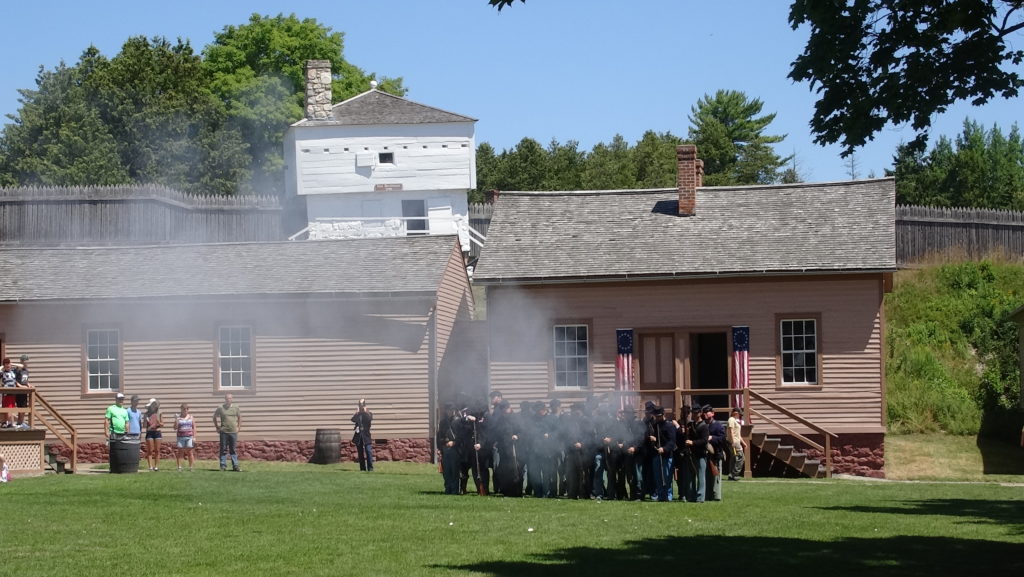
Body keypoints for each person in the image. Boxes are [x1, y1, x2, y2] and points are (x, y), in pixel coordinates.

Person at [435, 403, 461, 495]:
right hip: (445, 448)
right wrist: (439, 448)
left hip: (455, 449)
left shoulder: (458, 421)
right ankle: (447, 488)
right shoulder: (443, 422)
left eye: (452, 410)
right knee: (446, 471)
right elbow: (439, 436)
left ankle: (454, 490)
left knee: (454, 471)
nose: (451, 411)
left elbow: (462, 436)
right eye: (449, 410)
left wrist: (454, 442)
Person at [213, 393, 242, 472]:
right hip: (224, 432)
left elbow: (239, 417)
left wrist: (238, 427)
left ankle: (235, 466)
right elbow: (214, 417)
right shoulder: (220, 408)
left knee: (233, 449)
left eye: (230, 398)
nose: (228, 400)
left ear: (232, 399)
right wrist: (217, 427)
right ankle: (223, 465)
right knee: (223, 449)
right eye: (227, 398)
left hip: (233, 432)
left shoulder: (236, 407)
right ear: (225, 399)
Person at [704, 405, 727, 501]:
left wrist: (712, 438)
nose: (705, 414)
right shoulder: (704, 425)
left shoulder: (718, 425)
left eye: (708, 411)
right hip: (706, 455)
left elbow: (722, 439)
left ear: (713, 413)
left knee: (716, 476)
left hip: (716, 454)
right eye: (704, 412)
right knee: (707, 477)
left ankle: (716, 496)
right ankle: (708, 495)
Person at [351, 399, 374, 472]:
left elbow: (369, 419)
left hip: (366, 435)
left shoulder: (369, 413)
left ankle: (370, 468)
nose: (361, 407)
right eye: (360, 406)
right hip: (359, 436)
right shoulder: (358, 414)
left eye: (362, 406)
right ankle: (362, 468)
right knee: (360, 453)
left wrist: (365, 412)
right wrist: (357, 413)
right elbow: (353, 420)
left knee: (368, 451)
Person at [726, 407, 747, 481]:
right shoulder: (731, 419)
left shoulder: (734, 421)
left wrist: (743, 442)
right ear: (736, 413)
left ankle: (731, 475)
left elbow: (738, 434)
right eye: (739, 414)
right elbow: (731, 431)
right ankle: (734, 474)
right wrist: (733, 442)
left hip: (736, 441)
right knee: (741, 457)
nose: (740, 416)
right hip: (734, 442)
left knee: (734, 458)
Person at [174, 403, 196, 471]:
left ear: (188, 410)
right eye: (183, 409)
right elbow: (175, 428)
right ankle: (179, 467)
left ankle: (191, 467)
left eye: (186, 409)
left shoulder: (191, 417)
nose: (185, 411)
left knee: (190, 452)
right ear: (181, 410)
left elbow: (194, 427)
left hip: (189, 437)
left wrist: (194, 437)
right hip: (180, 437)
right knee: (180, 452)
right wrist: (176, 420)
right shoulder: (178, 417)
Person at [144, 399, 163, 471]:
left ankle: (156, 466)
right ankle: (150, 467)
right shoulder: (146, 414)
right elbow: (144, 426)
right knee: (150, 450)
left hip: (157, 432)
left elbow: (162, 424)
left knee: (157, 450)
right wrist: (146, 420)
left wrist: (158, 423)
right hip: (149, 432)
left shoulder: (159, 413)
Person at [12, 354, 31, 429]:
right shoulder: (17, 370)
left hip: (24, 391)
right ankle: (19, 422)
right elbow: (14, 380)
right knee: (19, 406)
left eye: (27, 361)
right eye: (24, 361)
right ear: (21, 361)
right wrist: (19, 385)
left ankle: (21, 422)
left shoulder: (26, 371)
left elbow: (25, 380)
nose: (26, 363)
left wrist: (28, 384)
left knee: (24, 407)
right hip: (19, 391)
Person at [1, 358, 17, 428]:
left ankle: (8, 422)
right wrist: (2, 366)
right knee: (7, 407)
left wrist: (12, 364)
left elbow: (22, 366)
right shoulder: (3, 373)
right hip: (6, 392)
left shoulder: (13, 371)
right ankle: (8, 422)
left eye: (8, 364)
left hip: (13, 392)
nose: (8, 365)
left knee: (11, 407)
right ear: (4, 365)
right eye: (6, 364)